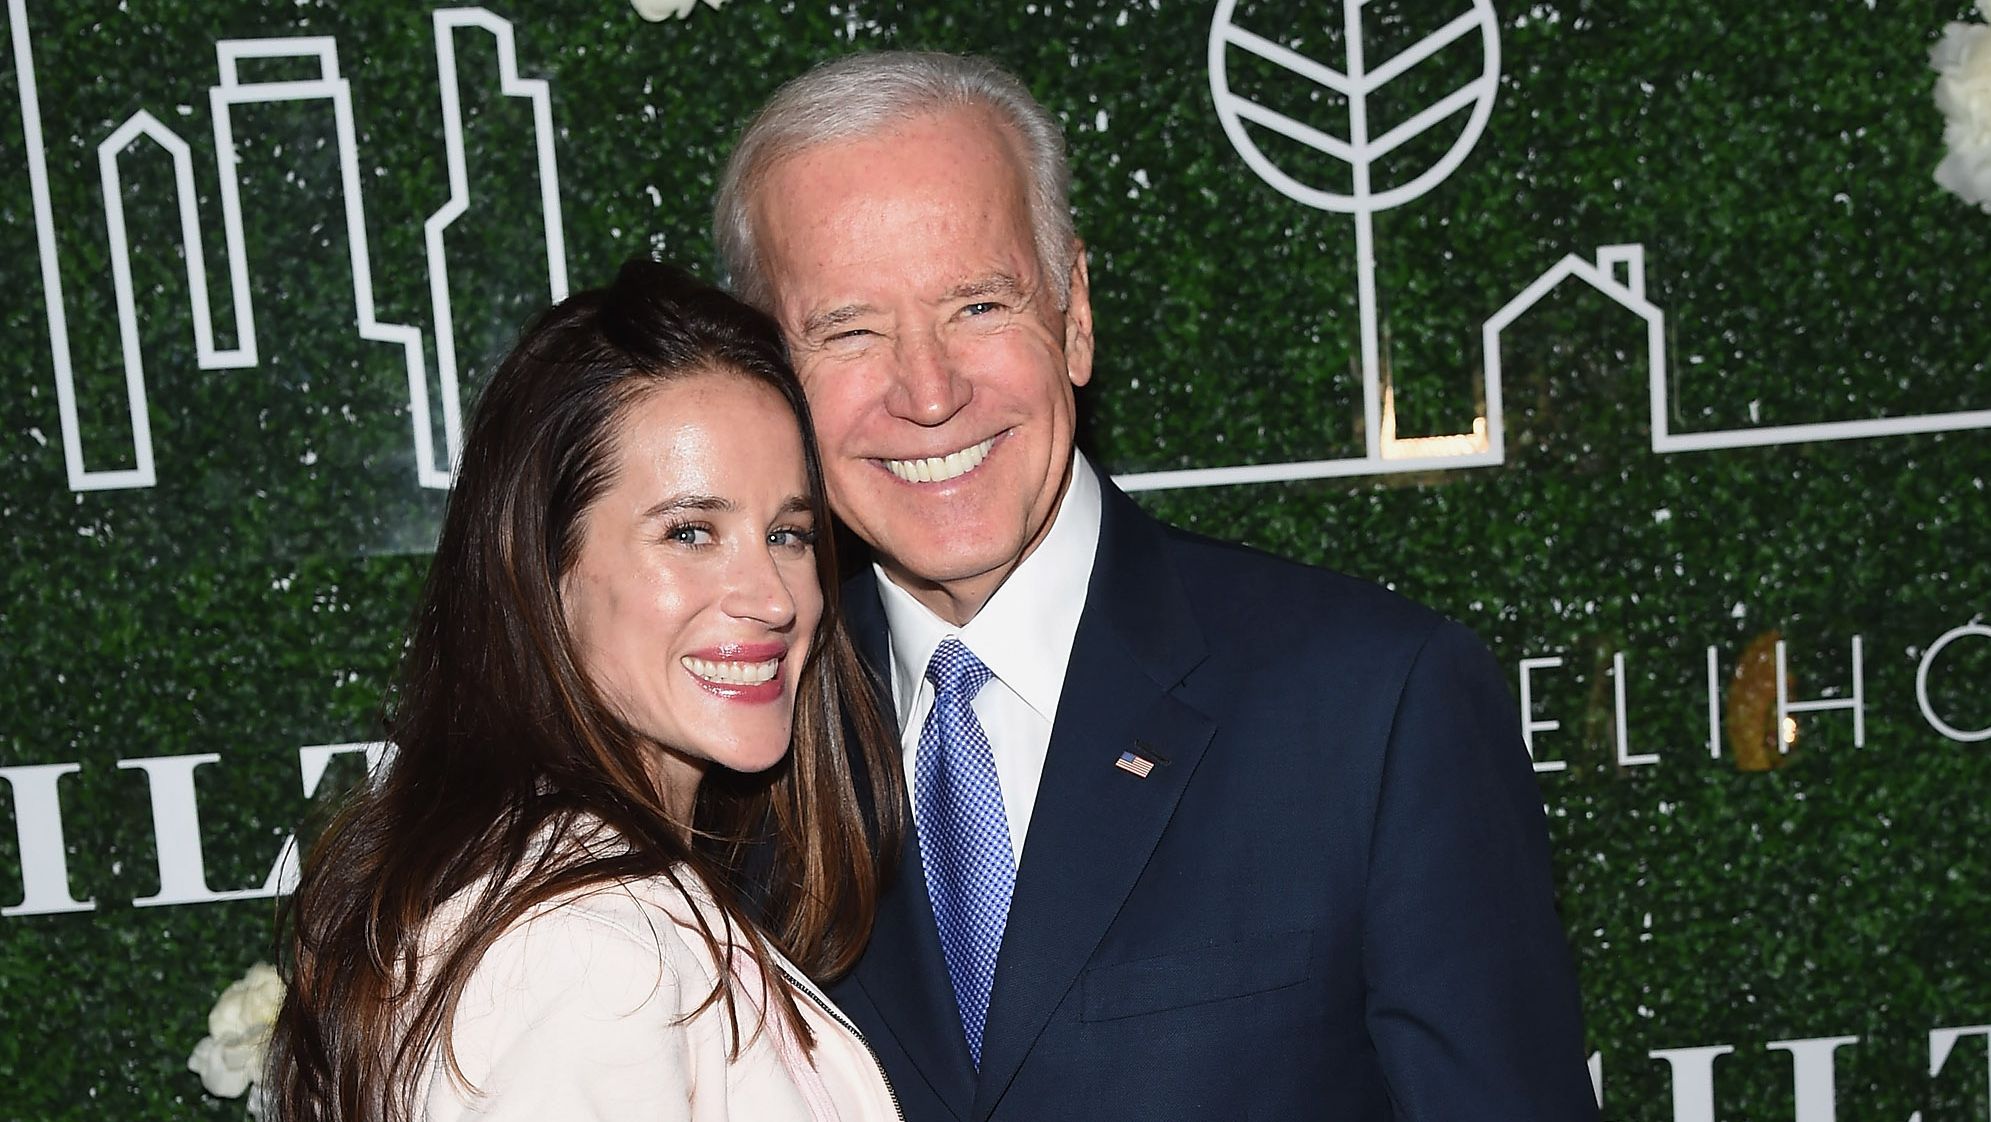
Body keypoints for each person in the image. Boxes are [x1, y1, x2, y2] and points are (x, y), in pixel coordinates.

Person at [714, 52, 1601, 1120]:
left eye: (979, 304)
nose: (928, 391)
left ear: (1073, 314)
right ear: (765, 374)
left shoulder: (1371, 707)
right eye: (848, 329)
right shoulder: (733, 755)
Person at [266, 260, 907, 1122]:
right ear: (546, 567)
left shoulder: (544, 894)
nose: (773, 597)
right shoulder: (596, 957)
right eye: (689, 532)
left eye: (788, 533)